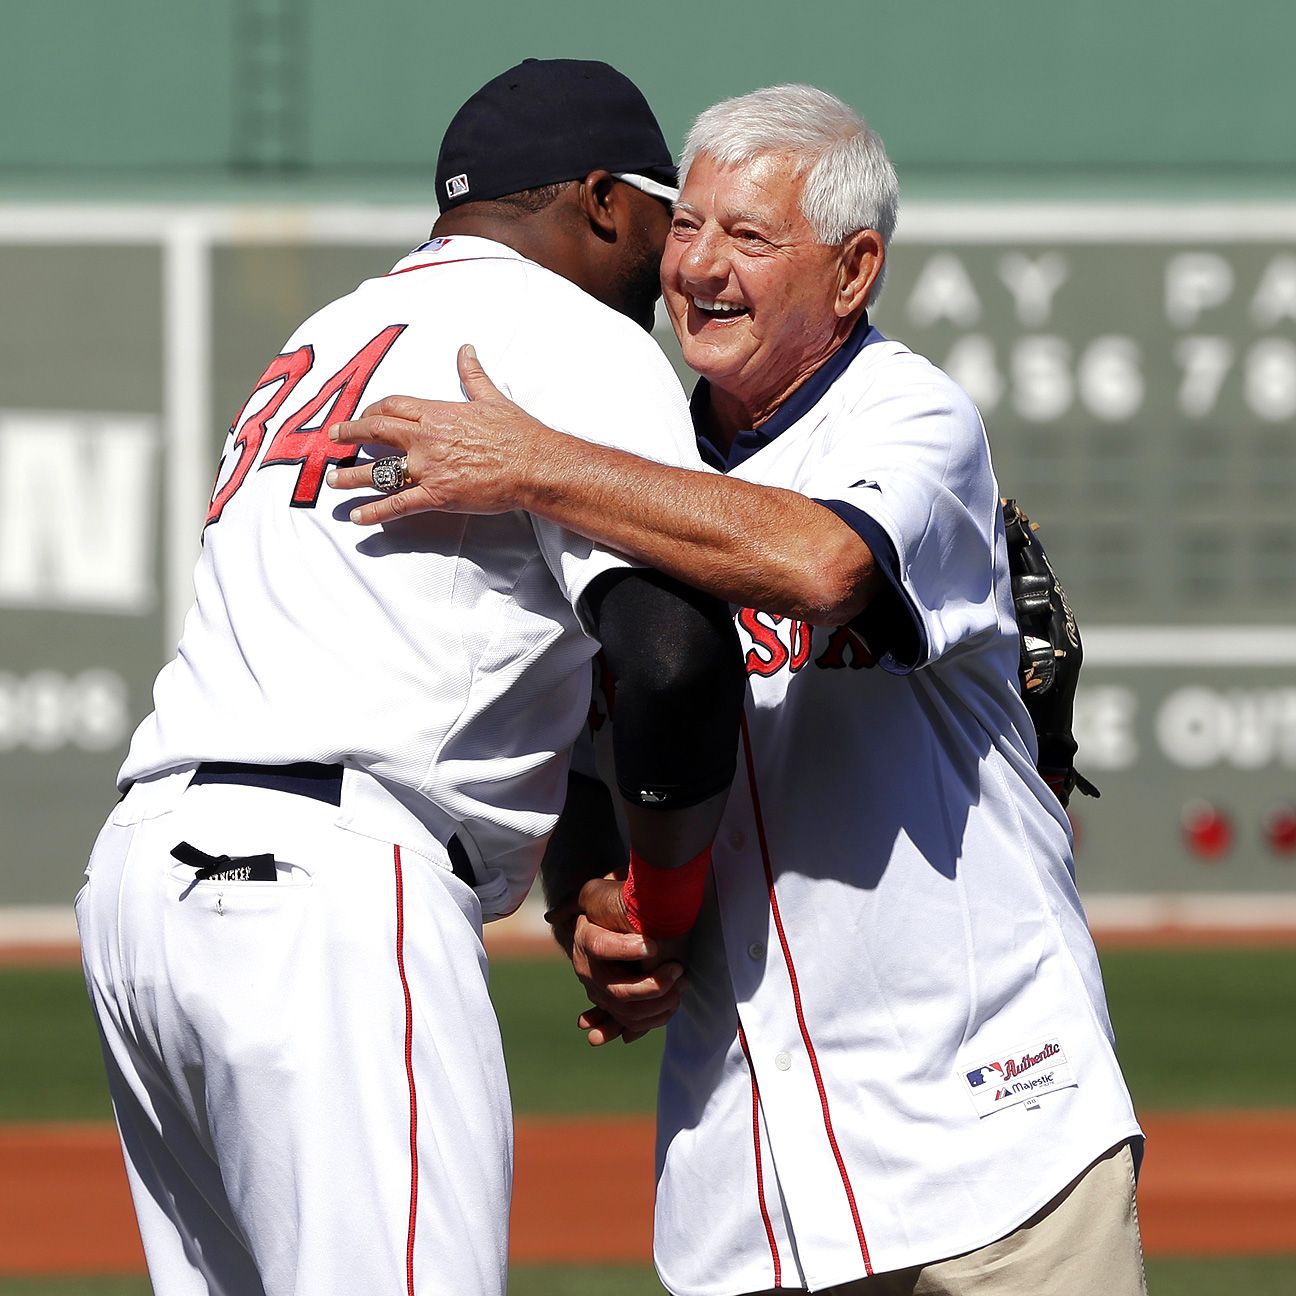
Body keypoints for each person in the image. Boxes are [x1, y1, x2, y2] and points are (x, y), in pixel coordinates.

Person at [328, 84, 1147, 1295]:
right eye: (691, 225)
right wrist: (592, 898)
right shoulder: (633, 447)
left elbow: (818, 564)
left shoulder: (906, 414)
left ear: (855, 271)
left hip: (992, 1135)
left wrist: (534, 463)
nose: (700, 267)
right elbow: (598, 739)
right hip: (751, 1179)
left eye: (751, 238)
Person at [76, 59, 745, 1296]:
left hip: (144, 889)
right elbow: (672, 653)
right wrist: (662, 893)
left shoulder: (325, 333)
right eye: (664, 216)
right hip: (326, 894)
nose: (675, 263)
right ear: (604, 201)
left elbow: (476, 649)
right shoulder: (568, 334)